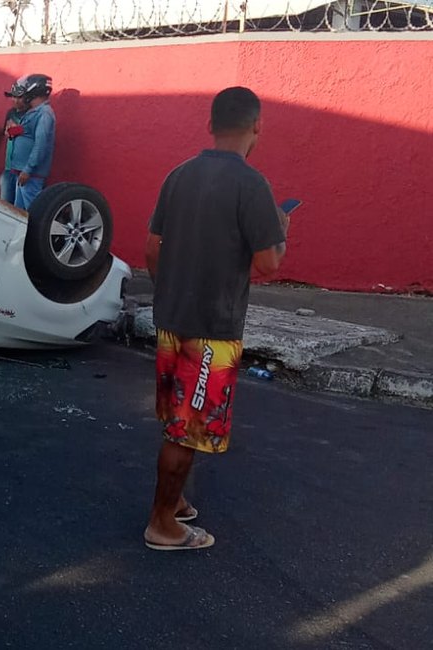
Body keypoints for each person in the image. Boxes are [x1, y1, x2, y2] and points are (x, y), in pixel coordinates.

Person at [143, 86, 290, 551]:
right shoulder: (252, 185)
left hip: (171, 318)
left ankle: (176, 500)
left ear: (210, 125)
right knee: (187, 428)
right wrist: (281, 234)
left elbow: (152, 248)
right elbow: (269, 263)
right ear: (257, 127)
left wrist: (168, 291)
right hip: (212, 329)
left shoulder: (179, 175)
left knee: (176, 419)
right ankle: (162, 523)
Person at [4, 74, 55, 210]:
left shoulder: (44, 114)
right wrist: (13, 131)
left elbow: (41, 144)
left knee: (32, 212)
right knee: (20, 212)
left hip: (30, 175)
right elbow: (28, 133)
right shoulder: (34, 112)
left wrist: (28, 170)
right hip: (22, 172)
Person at [0, 95, 26, 204]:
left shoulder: (32, 114)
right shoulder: (11, 113)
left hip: (23, 170)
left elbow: (29, 133)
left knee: (20, 208)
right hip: (9, 167)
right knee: (5, 205)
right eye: (13, 97)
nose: (15, 100)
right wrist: (12, 131)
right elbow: (6, 131)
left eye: (19, 97)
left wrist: (16, 130)